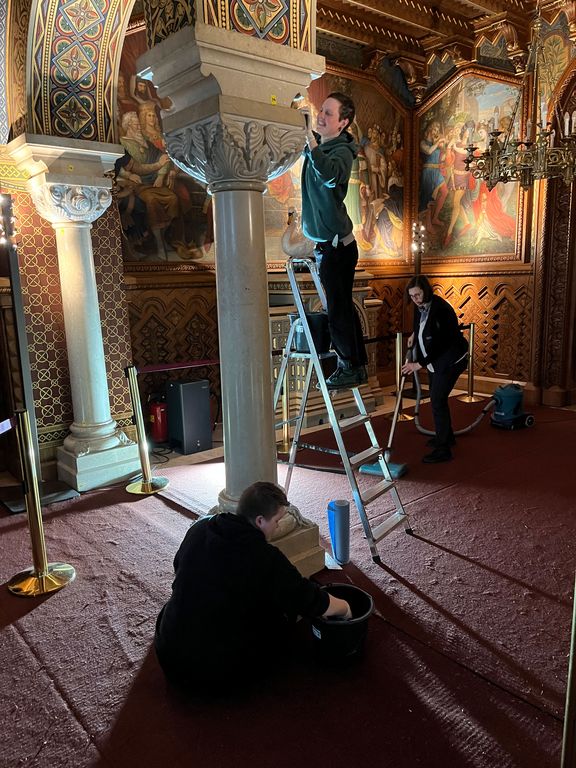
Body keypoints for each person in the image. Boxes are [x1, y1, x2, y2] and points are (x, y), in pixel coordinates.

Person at [154, 481, 352, 693]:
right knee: (280, 619)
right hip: (213, 672)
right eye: (276, 520)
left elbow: (179, 568)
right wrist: (344, 608)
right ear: (260, 521)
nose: (278, 526)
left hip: (168, 652)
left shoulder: (200, 528)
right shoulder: (264, 557)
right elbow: (304, 597)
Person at [301, 92, 368, 390]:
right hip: (329, 244)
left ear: (343, 122)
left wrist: (312, 143)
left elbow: (330, 176)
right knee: (342, 307)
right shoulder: (320, 145)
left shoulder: (341, 151)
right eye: (321, 110)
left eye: (329, 113)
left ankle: (348, 367)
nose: (321, 116)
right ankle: (357, 366)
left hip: (338, 246)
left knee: (338, 310)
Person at [401, 275, 468, 464]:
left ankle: (443, 449)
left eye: (418, 295)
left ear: (426, 291)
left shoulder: (441, 310)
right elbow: (420, 324)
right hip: (435, 361)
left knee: (438, 400)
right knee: (438, 399)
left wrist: (418, 364)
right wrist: (415, 334)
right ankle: (446, 437)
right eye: (412, 296)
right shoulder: (420, 306)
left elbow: (442, 344)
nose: (415, 299)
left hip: (450, 360)